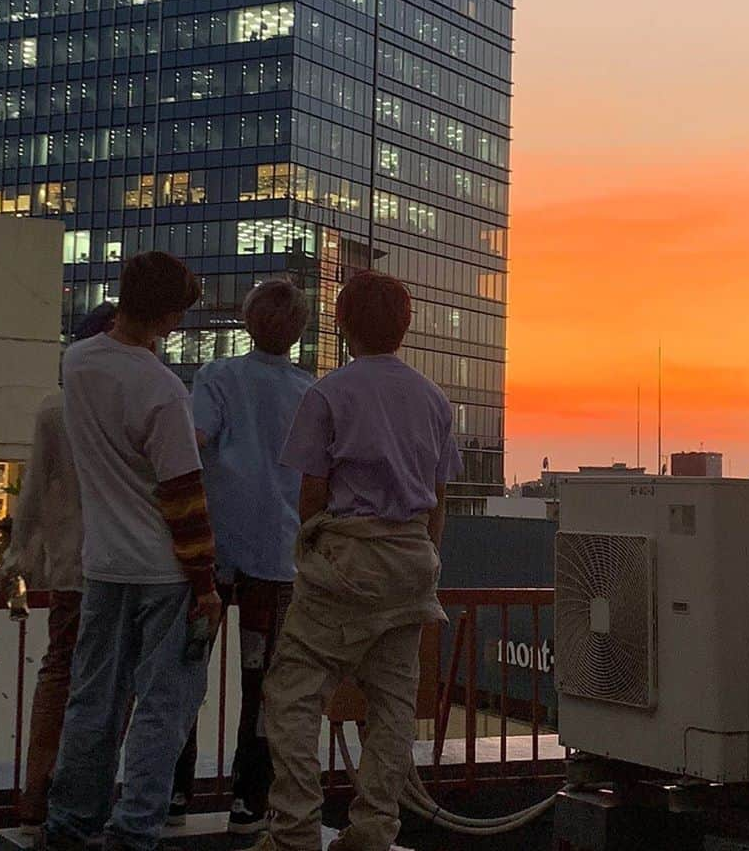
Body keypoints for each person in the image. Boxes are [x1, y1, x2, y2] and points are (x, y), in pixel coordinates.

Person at [253, 271, 462, 851]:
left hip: (347, 556)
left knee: (293, 694)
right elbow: (439, 500)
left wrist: (315, 547)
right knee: (394, 704)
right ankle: (373, 828)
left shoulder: (327, 394)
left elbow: (312, 492)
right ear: (406, 324)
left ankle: (294, 827)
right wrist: (425, 558)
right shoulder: (434, 401)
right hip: (412, 561)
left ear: (342, 325)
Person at [41, 251, 222, 851]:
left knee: (93, 697)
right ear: (169, 317)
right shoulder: (164, 390)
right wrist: (205, 585)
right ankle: (135, 827)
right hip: (164, 572)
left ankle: (70, 820)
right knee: (162, 705)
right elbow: (183, 497)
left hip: (102, 564)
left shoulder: (77, 363)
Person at [168, 279, 313, 835]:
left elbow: (194, 443)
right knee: (265, 683)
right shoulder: (309, 393)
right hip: (278, 557)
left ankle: (174, 790)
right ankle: (249, 799)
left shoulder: (218, 376)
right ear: (297, 333)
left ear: (249, 322)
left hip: (214, 552)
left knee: (186, 670)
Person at [2, 301, 117, 835]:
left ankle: (38, 789)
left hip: (71, 563)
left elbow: (31, 494)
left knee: (61, 671)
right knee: (113, 678)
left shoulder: (56, 409)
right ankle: (88, 788)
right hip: (122, 564)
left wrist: (18, 559)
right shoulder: (126, 402)